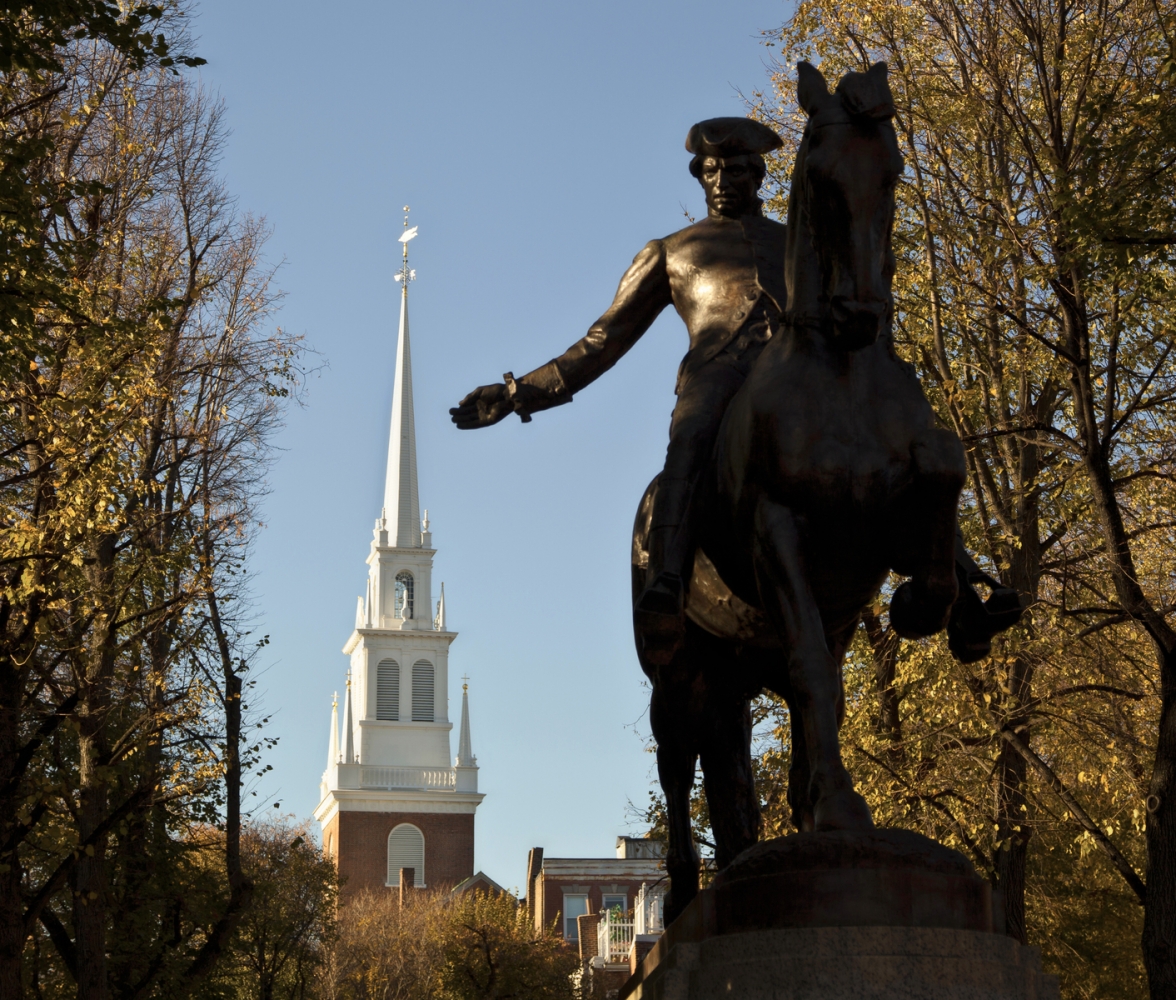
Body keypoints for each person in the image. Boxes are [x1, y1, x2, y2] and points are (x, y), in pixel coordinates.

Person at [450, 117, 786, 643]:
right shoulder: (671, 251)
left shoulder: (800, 244)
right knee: (692, 439)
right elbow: (602, 342)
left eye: (737, 170)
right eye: (712, 171)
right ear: (699, 177)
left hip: (794, 375)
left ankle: (952, 568)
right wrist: (517, 392)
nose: (723, 181)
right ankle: (668, 578)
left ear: (759, 175)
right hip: (718, 379)